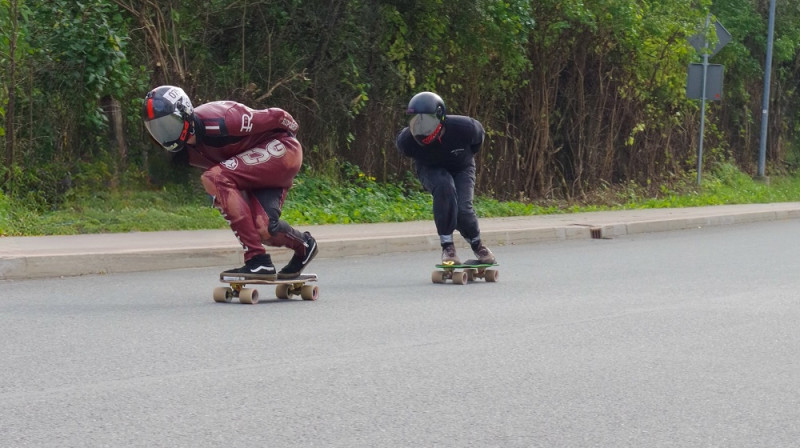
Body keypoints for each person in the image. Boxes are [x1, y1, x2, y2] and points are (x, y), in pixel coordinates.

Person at [142, 85, 318, 280]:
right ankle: (305, 246)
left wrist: (293, 131)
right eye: (157, 128)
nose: (165, 134)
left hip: (283, 150)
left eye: (169, 124)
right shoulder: (183, 154)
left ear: (185, 113)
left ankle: (257, 260)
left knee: (214, 177)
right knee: (265, 229)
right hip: (251, 170)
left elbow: (277, 116)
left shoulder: (223, 120)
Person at [395, 91, 496, 265]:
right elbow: (409, 155)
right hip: (430, 168)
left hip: (462, 167)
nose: (420, 128)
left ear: (440, 118)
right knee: (444, 188)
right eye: (415, 122)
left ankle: (477, 245)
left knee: (463, 210)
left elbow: (477, 143)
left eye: (426, 122)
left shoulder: (466, 128)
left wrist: (462, 157)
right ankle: (448, 247)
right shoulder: (406, 141)